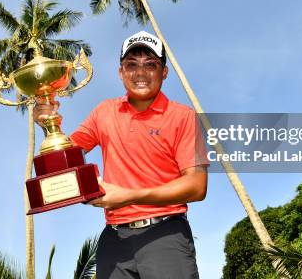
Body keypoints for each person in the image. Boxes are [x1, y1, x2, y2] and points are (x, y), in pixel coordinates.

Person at [34, 30, 208, 279]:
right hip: (113, 239)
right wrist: (49, 124)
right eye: (131, 65)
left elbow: (196, 185)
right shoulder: (104, 112)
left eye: (151, 65)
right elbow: (63, 162)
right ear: (121, 72)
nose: (140, 73)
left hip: (165, 235)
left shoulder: (183, 116)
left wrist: (129, 196)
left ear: (164, 72)